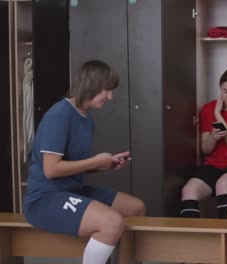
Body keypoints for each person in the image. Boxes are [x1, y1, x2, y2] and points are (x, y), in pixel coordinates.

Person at [23, 60, 146, 264]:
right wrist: (95, 161)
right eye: (106, 90)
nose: (110, 97)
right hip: (45, 198)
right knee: (112, 222)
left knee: (135, 207)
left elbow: (74, 165)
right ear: (91, 85)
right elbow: (51, 170)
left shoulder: (86, 119)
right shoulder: (60, 114)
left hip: (72, 189)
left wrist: (103, 165)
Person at [180, 68, 227, 219]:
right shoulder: (207, 109)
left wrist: (218, 115)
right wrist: (213, 136)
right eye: (226, 91)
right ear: (219, 86)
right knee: (188, 190)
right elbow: (205, 149)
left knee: (223, 185)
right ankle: (192, 240)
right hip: (213, 165)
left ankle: (226, 237)